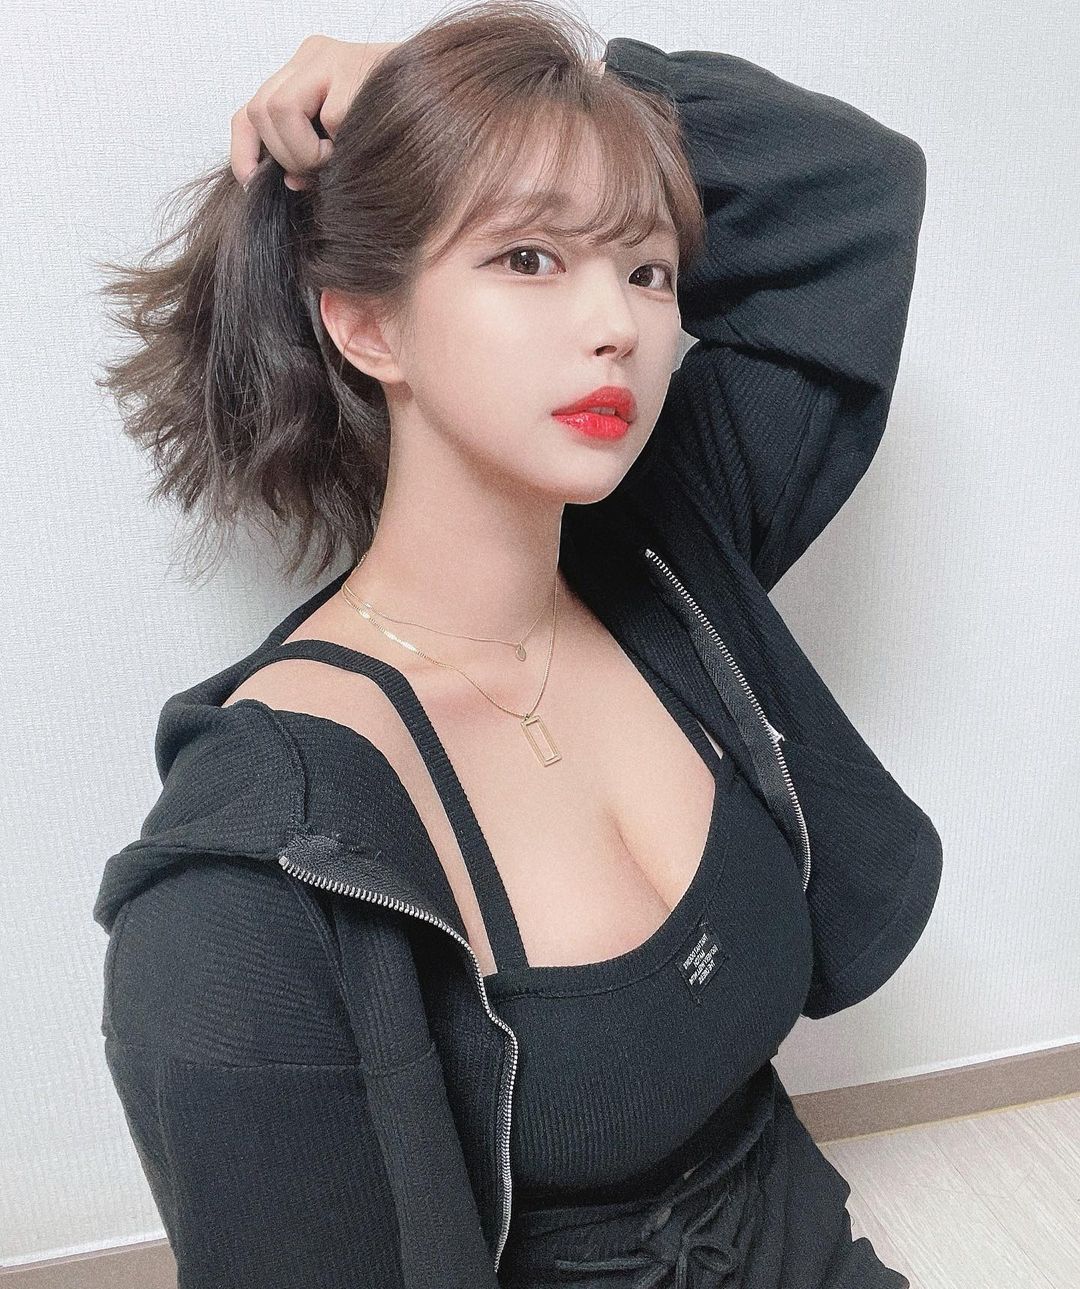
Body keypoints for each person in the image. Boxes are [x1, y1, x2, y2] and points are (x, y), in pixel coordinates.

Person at [92, 2, 940, 1285]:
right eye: (530, 257)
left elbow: (856, 192)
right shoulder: (251, 885)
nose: (622, 327)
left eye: (648, 270)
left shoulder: (673, 551)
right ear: (366, 325)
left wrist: (445, 95)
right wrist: (449, 129)